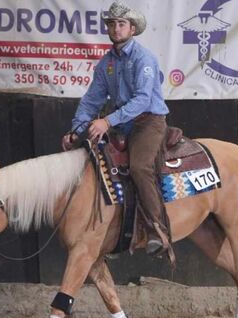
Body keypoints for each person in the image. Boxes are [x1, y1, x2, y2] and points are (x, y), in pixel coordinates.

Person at [61, 1, 171, 255]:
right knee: (93, 160)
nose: (116, 28)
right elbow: (91, 101)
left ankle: (158, 230)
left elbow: (143, 99)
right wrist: (76, 130)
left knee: (139, 167)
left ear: (132, 29)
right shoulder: (106, 63)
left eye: (121, 24)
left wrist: (107, 121)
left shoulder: (144, 59)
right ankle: (106, 229)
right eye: (112, 24)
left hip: (148, 122)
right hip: (122, 123)